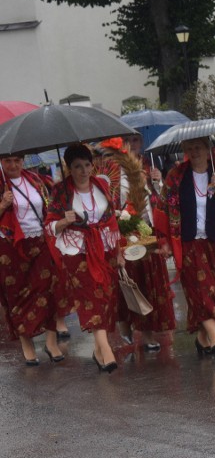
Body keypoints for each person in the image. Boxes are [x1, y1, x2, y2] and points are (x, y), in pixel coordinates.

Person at [163, 137, 215, 355]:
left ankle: (203, 338)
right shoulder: (176, 176)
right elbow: (166, 207)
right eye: (190, 148)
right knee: (200, 290)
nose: (194, 152)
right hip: (189, 242)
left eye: (198, 147)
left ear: (207, 149)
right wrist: (167, 241)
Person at [46, 143, 124, 373]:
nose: (83, 170)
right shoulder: (61, 191)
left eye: (87, 165)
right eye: (77, 166)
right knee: (91, 298)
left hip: (104, 249)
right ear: (70, 168)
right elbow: (50, 226)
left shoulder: (101, 184)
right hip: (77, 252)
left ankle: (98, 351)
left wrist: (119, 251)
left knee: (107, 298)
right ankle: (106, 349)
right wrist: (64, 221)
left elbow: (111, 220)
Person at [99, 136, 176, 351]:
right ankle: (126, 327)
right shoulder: (112, 175)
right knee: (129, 284)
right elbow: (108, 206)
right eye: (129, 142)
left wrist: (157, 181)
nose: (134, 146)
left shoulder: (147, 169)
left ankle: (149, 333)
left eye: (137, 141)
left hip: (148, 233)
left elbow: (161, 202)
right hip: (125, 234)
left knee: (150, 286)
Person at [0, 154, 63, 365]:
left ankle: (51, 342)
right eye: (8, 161)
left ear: (24, 160)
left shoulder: (35, 179)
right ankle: (27, 345)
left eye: (17, 160)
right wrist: (2, 205)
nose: (13, 165)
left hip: (39, 240)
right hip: (10, 247)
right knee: (16, 295)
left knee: (49, 288)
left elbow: (48, 207)